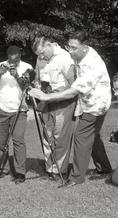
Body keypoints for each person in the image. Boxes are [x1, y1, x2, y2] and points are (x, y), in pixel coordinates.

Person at [29, 30, 112, 186]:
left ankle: (76, 177)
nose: (71, 51)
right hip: (85, 101)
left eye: (74, 48)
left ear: (85, 46)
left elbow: (74, 90)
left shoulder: (90, 64)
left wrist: (47, 97)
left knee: (81, 137)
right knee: (92, 136)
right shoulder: (79, 54)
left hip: (96, 104)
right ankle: (104, 168)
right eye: (69, 47)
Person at [31, 36, 77, 180]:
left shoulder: (65, 57)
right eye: (38, 55)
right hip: (46, 103)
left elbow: (74, 85)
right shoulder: (40, 59)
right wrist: (38, 87)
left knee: (60, 138)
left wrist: (56, 93)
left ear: (50, 45)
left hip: (62, 103)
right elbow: (37, 79)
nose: (41, 56)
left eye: (43, 53)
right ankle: (49, 168)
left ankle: (60, 171)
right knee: (47, 136)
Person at [0, 45, 33, 184]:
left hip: (19, 109)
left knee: (18, 140)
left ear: (20, 55)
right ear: (7, 57)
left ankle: (20, 172)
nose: (13, 62)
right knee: (0, 142)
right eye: (10, 59)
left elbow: (26, 86)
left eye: (16, 59)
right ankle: (3, 168)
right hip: (1, 108)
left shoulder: (27, 66)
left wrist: (16, 76)